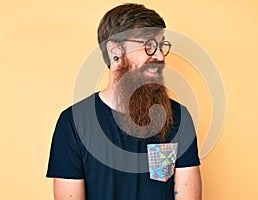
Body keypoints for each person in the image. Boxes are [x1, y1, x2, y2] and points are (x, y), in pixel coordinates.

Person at [46, 3, 202, 200]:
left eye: (161, 45)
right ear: (115, 51)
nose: (160, 55)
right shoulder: (74, 123)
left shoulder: (178, 117)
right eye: (149, 45)